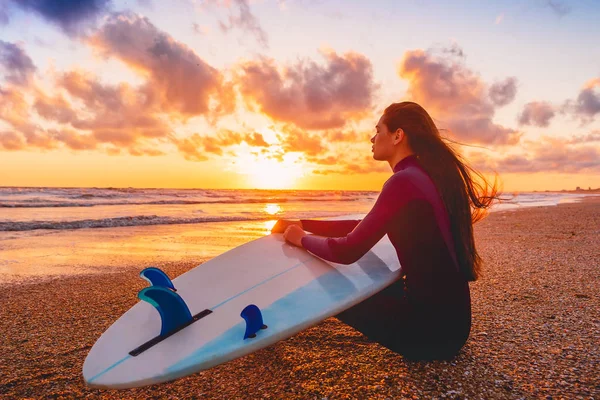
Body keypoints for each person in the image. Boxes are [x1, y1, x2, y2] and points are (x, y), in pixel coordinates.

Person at [271, 101, 499, 361]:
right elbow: (367, 224)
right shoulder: (425, 177)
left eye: (378, 130)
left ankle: (272, 319)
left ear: (398, 135)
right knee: (362, 277)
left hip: (428, 336)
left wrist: (301, 239)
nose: (372, 137)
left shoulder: (402, 182)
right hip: (454, 328)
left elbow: (346, 251)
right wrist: (306, 225)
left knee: (329, 283)